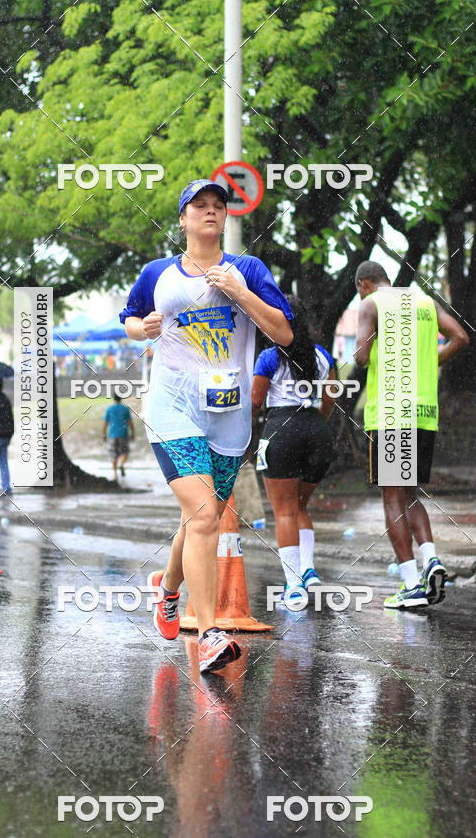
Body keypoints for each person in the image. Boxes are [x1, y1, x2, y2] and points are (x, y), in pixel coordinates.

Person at [120, 178, 293, 673]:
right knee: (202, 518)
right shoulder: (158, 272)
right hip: (173, 409)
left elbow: (282, 331)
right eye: (200, 206)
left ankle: (168, 591)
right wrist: (143, 328)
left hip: (229, 414)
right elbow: (130, 319)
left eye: (219, 205)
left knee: (201, 519)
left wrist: (241, 294)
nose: (211, 212)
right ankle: (211, 633)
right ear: (183, 218)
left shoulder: (248, 270)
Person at [354, 261, 469, 609]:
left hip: (389, 413)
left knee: (392, 499)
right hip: (423, 413)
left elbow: (360, 357)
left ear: (364, 284)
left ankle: (410, 583)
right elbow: (461, 337)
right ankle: (431, 560)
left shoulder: (370, 304)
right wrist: (431, 360)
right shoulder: (425, 302)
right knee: (411, 494)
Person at [252, 296, 336, 604]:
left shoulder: (270, 357)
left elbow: (256, 401)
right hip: (318, 432)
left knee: (284, 511)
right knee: (300, 507)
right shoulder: (323, 356)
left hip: (281, 429)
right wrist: (315, 424)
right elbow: (330, 399)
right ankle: (309, 569)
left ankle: (293, 585)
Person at [102, 393, 135, 481]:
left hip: (112, 435)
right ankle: (121, 464)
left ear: (114, 399)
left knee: (113, 454)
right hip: (123, 434)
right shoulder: (125, 409)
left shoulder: (109, 409)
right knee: (124, 452)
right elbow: (130, 422)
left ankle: (115, 474)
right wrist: (133, 433)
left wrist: (103, 434)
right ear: (121, 399)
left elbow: (105, 423)